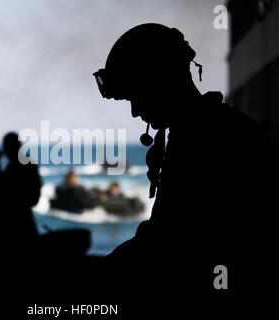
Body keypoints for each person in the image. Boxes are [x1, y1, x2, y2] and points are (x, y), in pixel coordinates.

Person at [93, 23, 278, 294]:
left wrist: (101, 275)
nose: (135, 111)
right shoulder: (200, 129)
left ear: (161, 84)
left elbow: (170, 241)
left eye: (137, 95)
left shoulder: (205, 138)